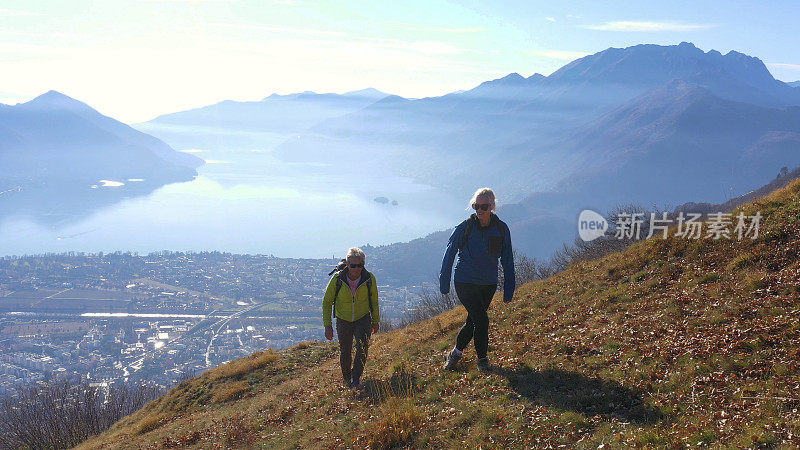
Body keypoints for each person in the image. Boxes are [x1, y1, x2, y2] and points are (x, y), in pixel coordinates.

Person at [440, 187, 515, 373]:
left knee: (474, 321)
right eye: (476, 206)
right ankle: (482, 360)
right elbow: (449, 254)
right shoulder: (464, 228)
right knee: (482, 320)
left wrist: (509, 287)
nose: (479, 210)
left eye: (484, 206)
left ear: (492, 207)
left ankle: (455, 354)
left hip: (488, 284)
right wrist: (444, 282)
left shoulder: (501, 229)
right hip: (465, 281)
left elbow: (507, 259)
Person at [322, 247, 380, 388]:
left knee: (363, 348)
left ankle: (356, 378)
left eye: (360, 265)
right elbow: (327, 302)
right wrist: (327, 325)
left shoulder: (369, 278)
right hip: (343, 320)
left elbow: (374, 301)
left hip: (363, 318)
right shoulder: (338, 279)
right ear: (347, 265)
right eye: (353, 265)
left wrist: (375, 321)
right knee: (345, 350)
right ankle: (347, 379)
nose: (356, 269)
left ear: (363, 265)